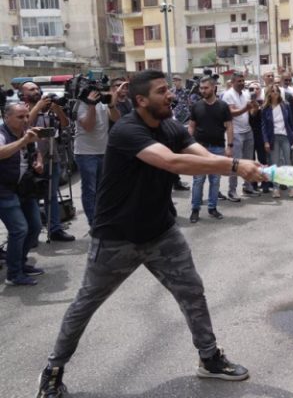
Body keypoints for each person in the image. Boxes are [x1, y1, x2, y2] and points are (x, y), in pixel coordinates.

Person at [36, 70, 264, 398]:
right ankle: (53, 371)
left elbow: (198, 153)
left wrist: (237, 163)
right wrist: (233, 167)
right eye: (162, 91)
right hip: (117, 238)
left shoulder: (169, 125)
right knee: (86, 304)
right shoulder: (128, 130)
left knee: (192, 291)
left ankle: (209, 358)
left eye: (169, 90)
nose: (170, 95)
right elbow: (172, 163)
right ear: (141, 101)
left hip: (161, 232)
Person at [22, 81, 75, 242]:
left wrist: (57, 109)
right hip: (31, 163)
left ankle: (55, 230)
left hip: (52, 159)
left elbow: (65, 124)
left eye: (37, 88)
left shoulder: (48, 111)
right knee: (31, 199)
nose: (36, 91)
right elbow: (23, 126)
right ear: (23, 94)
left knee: (51, 196)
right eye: (31, 89)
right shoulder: (21, 110)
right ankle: (32, 234)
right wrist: (37, 108)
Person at [0, 103, 45, 286]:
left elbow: (36, 152)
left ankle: (20, 262)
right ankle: (14, 273)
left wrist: (39, 161)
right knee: (19, 229)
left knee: (35, 226)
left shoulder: (26, 132)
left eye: (27, 116)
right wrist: (24, 141)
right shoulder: (2, 133)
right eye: (20, 117)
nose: (26, 120)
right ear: (6, 117)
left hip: (23, 188)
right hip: (3, 190)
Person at [73, 82, 121, 226]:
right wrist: (91, 105)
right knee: (90, 190)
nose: (98, 92)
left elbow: (117, 119)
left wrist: (111, 105)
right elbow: (88, 126)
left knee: (103, 189)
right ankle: (94, 223)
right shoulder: (80, 105)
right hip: (86, 154)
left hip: (103, 151)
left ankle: (103, 218)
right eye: (95, 91)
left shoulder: (103, 102)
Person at [188, 76, 233, 223]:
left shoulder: (223, 106)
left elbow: (229, 126)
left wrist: (229, 146)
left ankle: (212, 208)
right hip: (199, 148)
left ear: (213, 88)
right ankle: (195, 210)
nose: (203, 91)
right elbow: (191, 126)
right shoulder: (196, 106)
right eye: (201, 88)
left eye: (205, 88)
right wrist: (187, 145)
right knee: (198, 180)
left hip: (218, 148)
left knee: (215, 180)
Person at [221, 72, 256, 201]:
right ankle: (232, 191)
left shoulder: (246, 93)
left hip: (248, 131)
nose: (241, 83)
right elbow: (231, 113)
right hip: (235, 133)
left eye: (243, 81)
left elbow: (250, 112)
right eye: (239, 81)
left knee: (248, 161)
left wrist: (254, 108)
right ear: (233, 81)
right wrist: (246, 109)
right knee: (235, 164)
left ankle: (247, 187)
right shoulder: (228, 95)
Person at [261, 84, 293, 198]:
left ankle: (292, 188)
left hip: (285, 136)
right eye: (273, 91)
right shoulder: (265, 108)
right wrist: (266, 141)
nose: (275, 93)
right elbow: (263, 127)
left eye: (277, 91)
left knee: (288, 162)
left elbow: (291, 122)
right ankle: (276, 189)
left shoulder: (285, 105)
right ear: (269, 94)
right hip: (273, 138)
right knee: (275, 164)